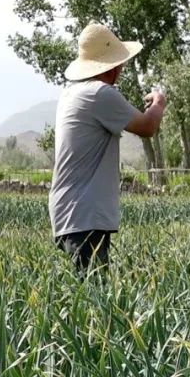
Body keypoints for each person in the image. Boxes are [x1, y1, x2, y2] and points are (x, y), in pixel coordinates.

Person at [49, 22, 167, 275]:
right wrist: (158, 102)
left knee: (85, 295)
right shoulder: (99, 94)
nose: (122, 68)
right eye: (119, 63)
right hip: (84, 216)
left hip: (71, 214)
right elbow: (147, 126)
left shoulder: (72, 93)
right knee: (93, 300)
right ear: (111, 67)